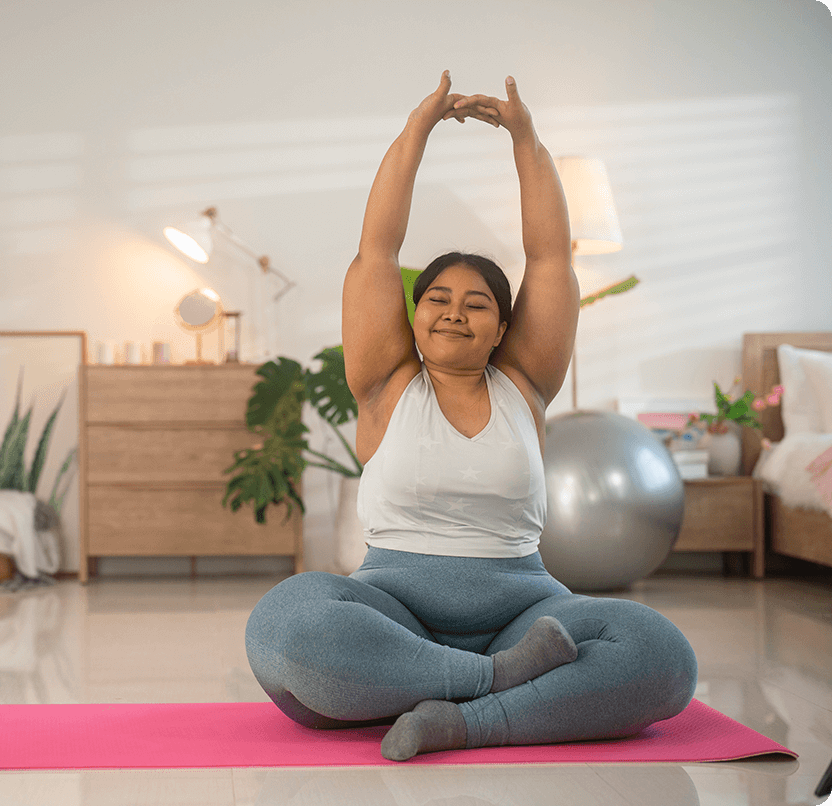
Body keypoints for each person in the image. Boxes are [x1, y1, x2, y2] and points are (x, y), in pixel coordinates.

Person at [244, 71, 698, 761]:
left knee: (661, 656)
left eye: (478, 302)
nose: (454, 308)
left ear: (501, 329)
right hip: (393, 608)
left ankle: (460, 720)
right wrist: (417, 131)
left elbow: (550, 256)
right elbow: (377, 251)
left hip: (526, 614)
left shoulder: (525, 384)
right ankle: (496, 686)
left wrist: (525, 138)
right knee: (286, 629)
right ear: (414, 318)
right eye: (437, 298)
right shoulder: (385, 387)